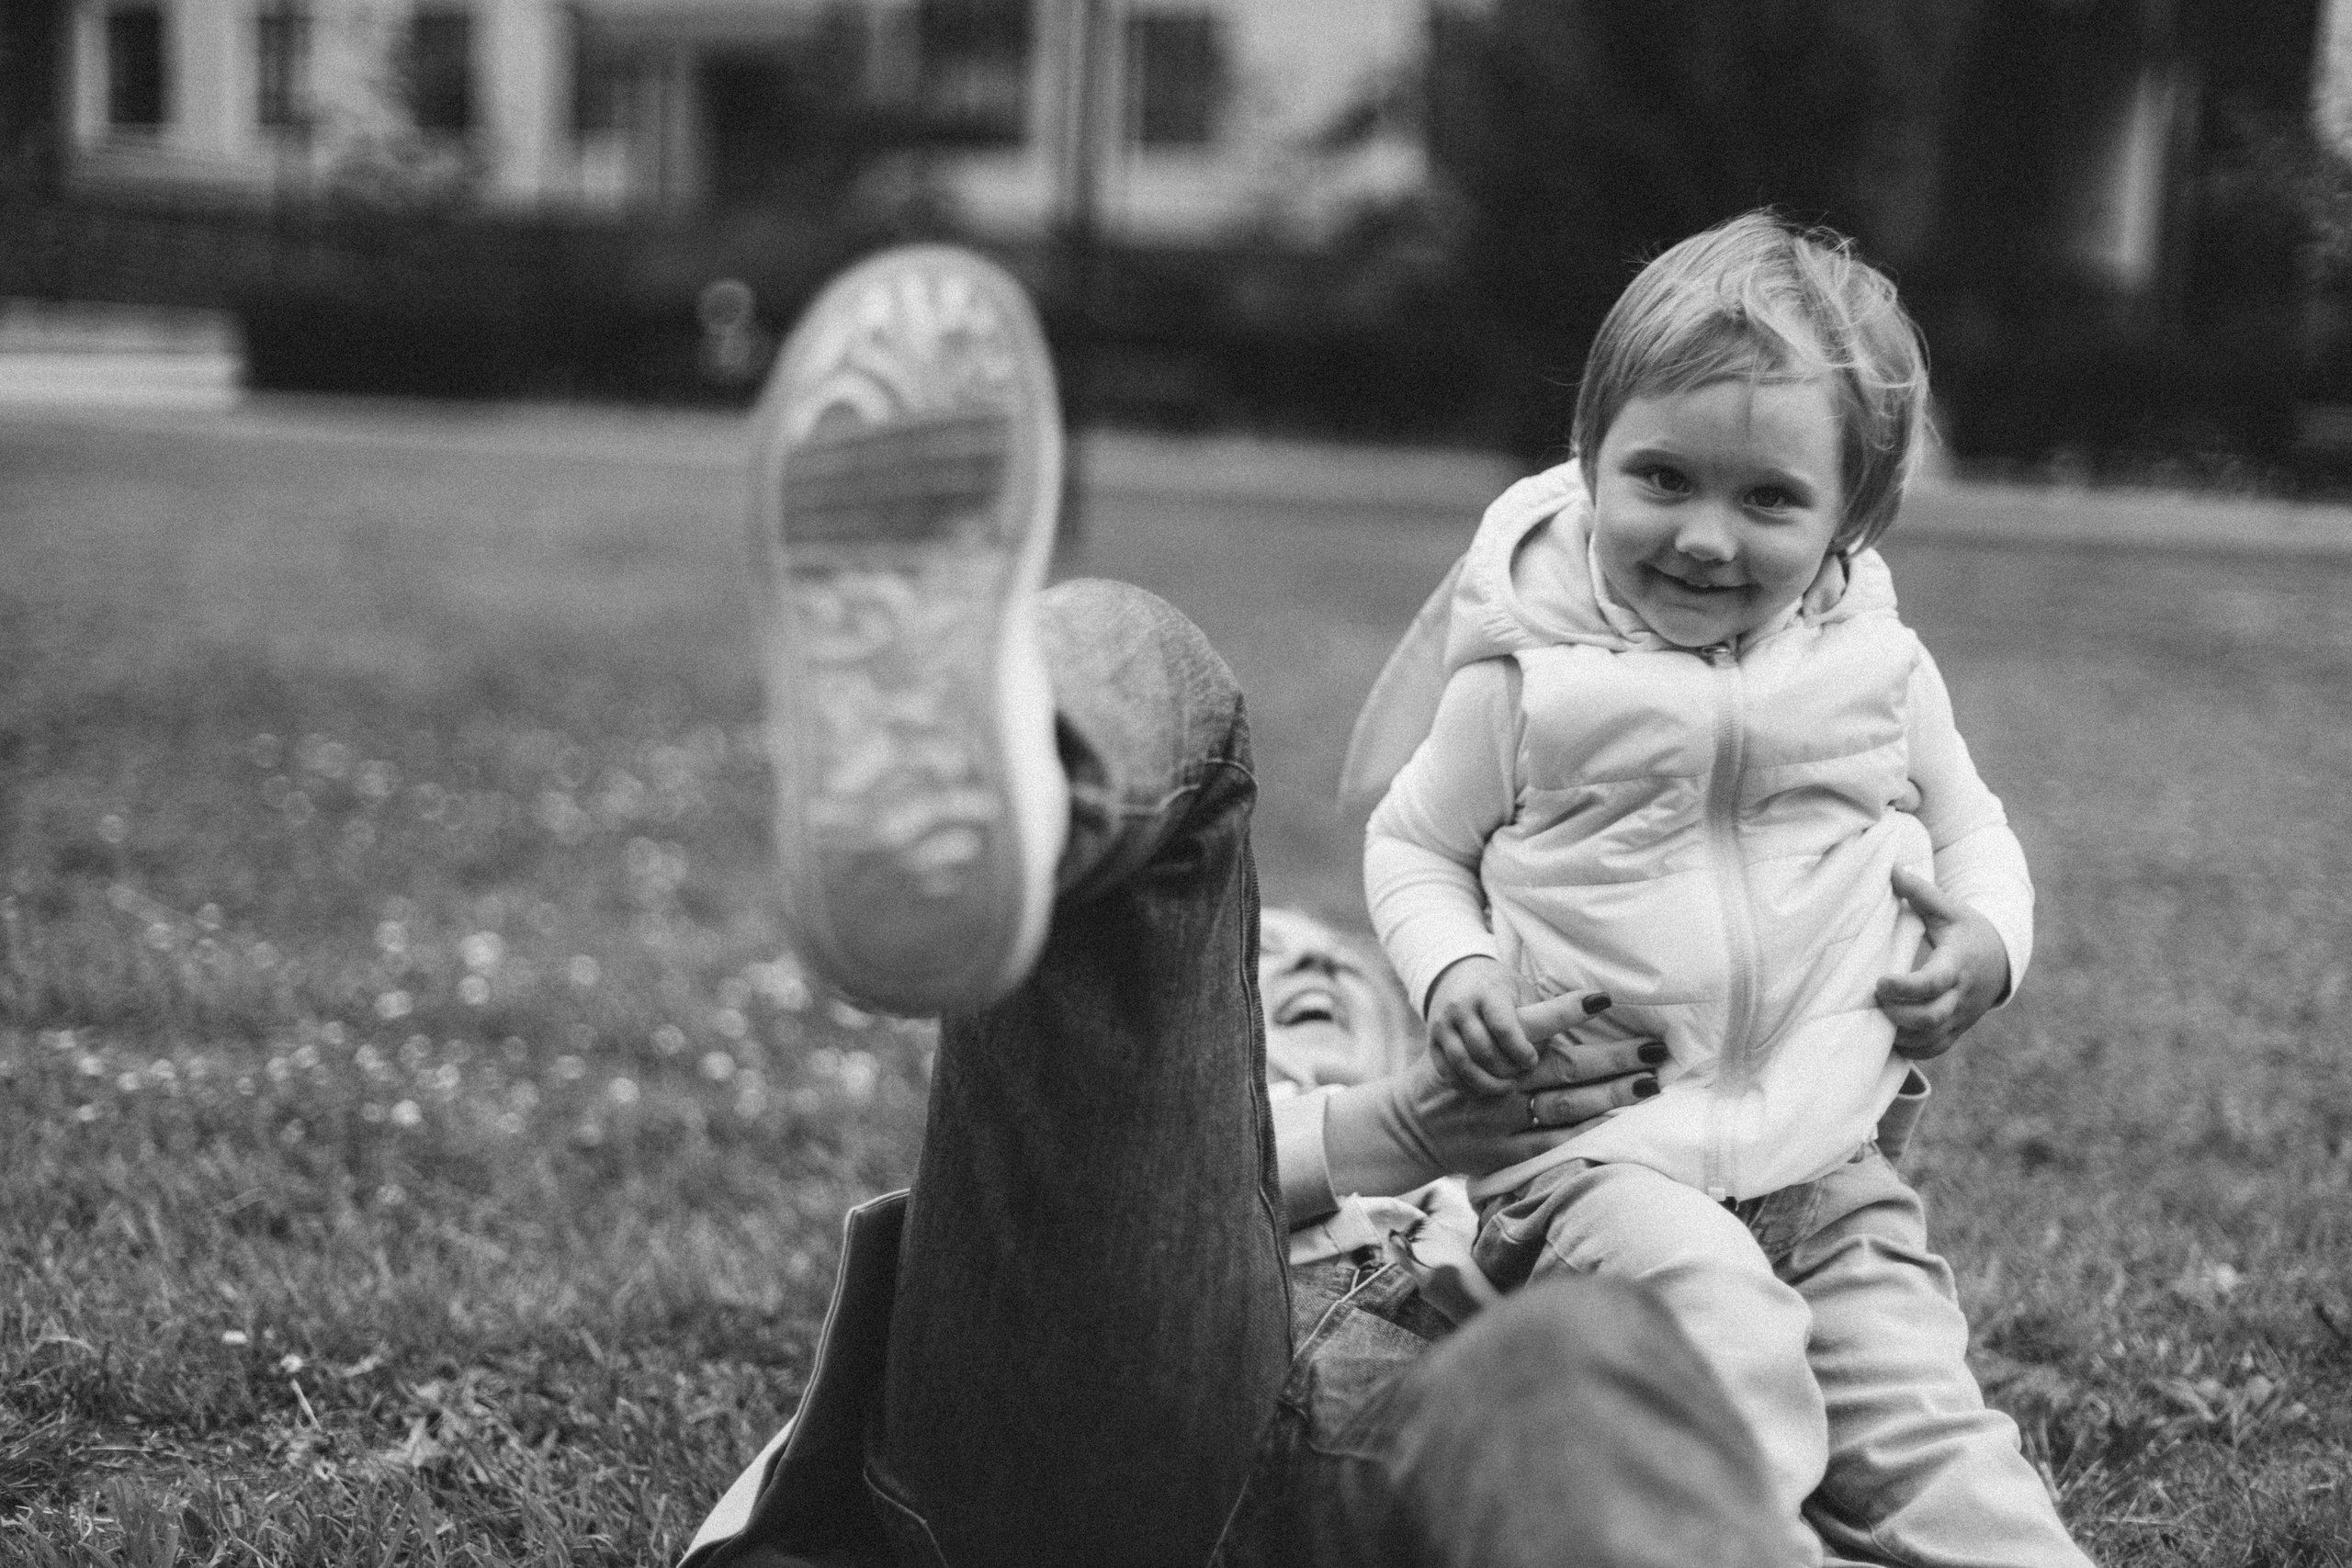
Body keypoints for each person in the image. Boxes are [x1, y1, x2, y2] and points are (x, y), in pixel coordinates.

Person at [684, 243, 1973, 1568]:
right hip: (1141, 1400)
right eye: (1267, 986)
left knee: (1582, 1359)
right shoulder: (1226, 1057)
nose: (1287, 986)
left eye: (1312, 989)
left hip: (1448, 1442)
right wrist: (1391, 1123)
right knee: (1150, 652)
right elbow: (1127, 1152)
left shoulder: (1559, 1118)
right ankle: (999, 755)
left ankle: (992, 745)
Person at [1352, 212, 2091, 1564]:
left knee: (1938, 1440)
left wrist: (1988, 944)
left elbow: (1975, 829)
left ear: (1851, 516)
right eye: (1663, 478)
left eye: (1767, 501)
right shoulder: (1533, 684)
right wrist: (1457, 970)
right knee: (1723, 1332)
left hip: (1829, 1169)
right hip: (1597, 1170)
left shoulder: (1879, 671)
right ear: (1590, 458)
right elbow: (1412, 847)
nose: (1703, 537)